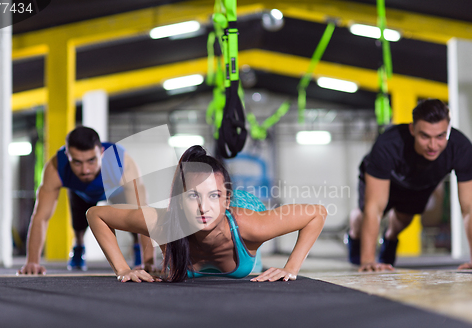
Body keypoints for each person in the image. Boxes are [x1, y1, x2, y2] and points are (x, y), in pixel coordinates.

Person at [86, 145, 327, 283]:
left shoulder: (252, 226)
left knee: (256, 260)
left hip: (245, 211)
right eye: (192, 196)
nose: (203, 208)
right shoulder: (164, 222)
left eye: (213, 196)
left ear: (226, 199)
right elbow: (96, 215)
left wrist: (291, 268)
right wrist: (122, 269)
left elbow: (317, 213)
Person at [347, 99, 472, 272]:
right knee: (364, 215)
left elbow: (469, 209)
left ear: (449, 130)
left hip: (418, 183)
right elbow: (374, 207)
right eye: (425, 136)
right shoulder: (388, 144)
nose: (433, 145)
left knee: (403, 220)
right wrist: (367, 261)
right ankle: (354, 236)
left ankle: (389, 238)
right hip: (384, 178)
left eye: (440, 136)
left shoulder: (462, 148)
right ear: (412, 129)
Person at [18, 126, 153, 275]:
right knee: (78, 226)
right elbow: (41, 217)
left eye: (91, 161)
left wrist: (149, 261)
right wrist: (32, 262)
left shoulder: (121, 162)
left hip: (116, 191)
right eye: (76, 162)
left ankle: (138, 251)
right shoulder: (56, 167)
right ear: (67, 154)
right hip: (81, 193)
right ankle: (79, 246)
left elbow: (144, 214)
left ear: (101, 153)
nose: (85, 170)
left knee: (134, 222)